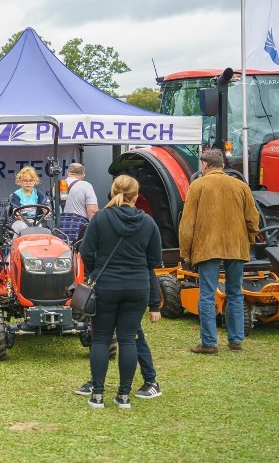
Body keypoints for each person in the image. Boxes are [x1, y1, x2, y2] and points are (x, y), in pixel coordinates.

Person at [79, 175, 162, 408]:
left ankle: (97, 394)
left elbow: (86, 251)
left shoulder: (101, 219)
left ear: (112, 191)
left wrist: (96, 271)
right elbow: (153, 259)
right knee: (128, 339)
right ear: (136, 196)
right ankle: (123, 395)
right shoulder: (147, 222)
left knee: (101, 339)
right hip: (137, 286)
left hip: (106, 285)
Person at [179, 149, 259, 354]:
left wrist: (185, 252)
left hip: (208, 246)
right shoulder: (241, 186)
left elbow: (187, 223)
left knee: (207, 294)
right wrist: (248, 240)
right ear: (222, 165)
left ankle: (209, 343)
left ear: (205, 165)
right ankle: (235, 340)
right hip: (236, 246)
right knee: (235, 292)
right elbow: (253, 217)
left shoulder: (198, 185)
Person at [75, 271, 163, 400]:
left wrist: (155, 305)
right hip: (111, 293)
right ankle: (96, 382)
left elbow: (150, 269)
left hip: (128, 295)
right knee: (104, 340)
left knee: (133, 339)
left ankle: (151, 381)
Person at [59, 163, 99, 243]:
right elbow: (92, 211)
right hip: (79, 227)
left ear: (68, 172)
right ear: (83, 175)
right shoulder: (85, 185)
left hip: (59, 227)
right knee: (77, 253)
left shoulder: (57, 185)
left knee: (64, 253)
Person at [8, 166, 49, 231]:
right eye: (25, 180)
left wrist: (46, 210)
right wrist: (18, 214)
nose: (28, 182)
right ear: (20, 181)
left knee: (40, 229)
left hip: (35, 220)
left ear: (35, 181)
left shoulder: (39, 194)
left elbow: (44, 205)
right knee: (22, 228)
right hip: (19, 220)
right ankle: (15, 240)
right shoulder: (16, 195)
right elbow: (15, 208)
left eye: (31, 180)